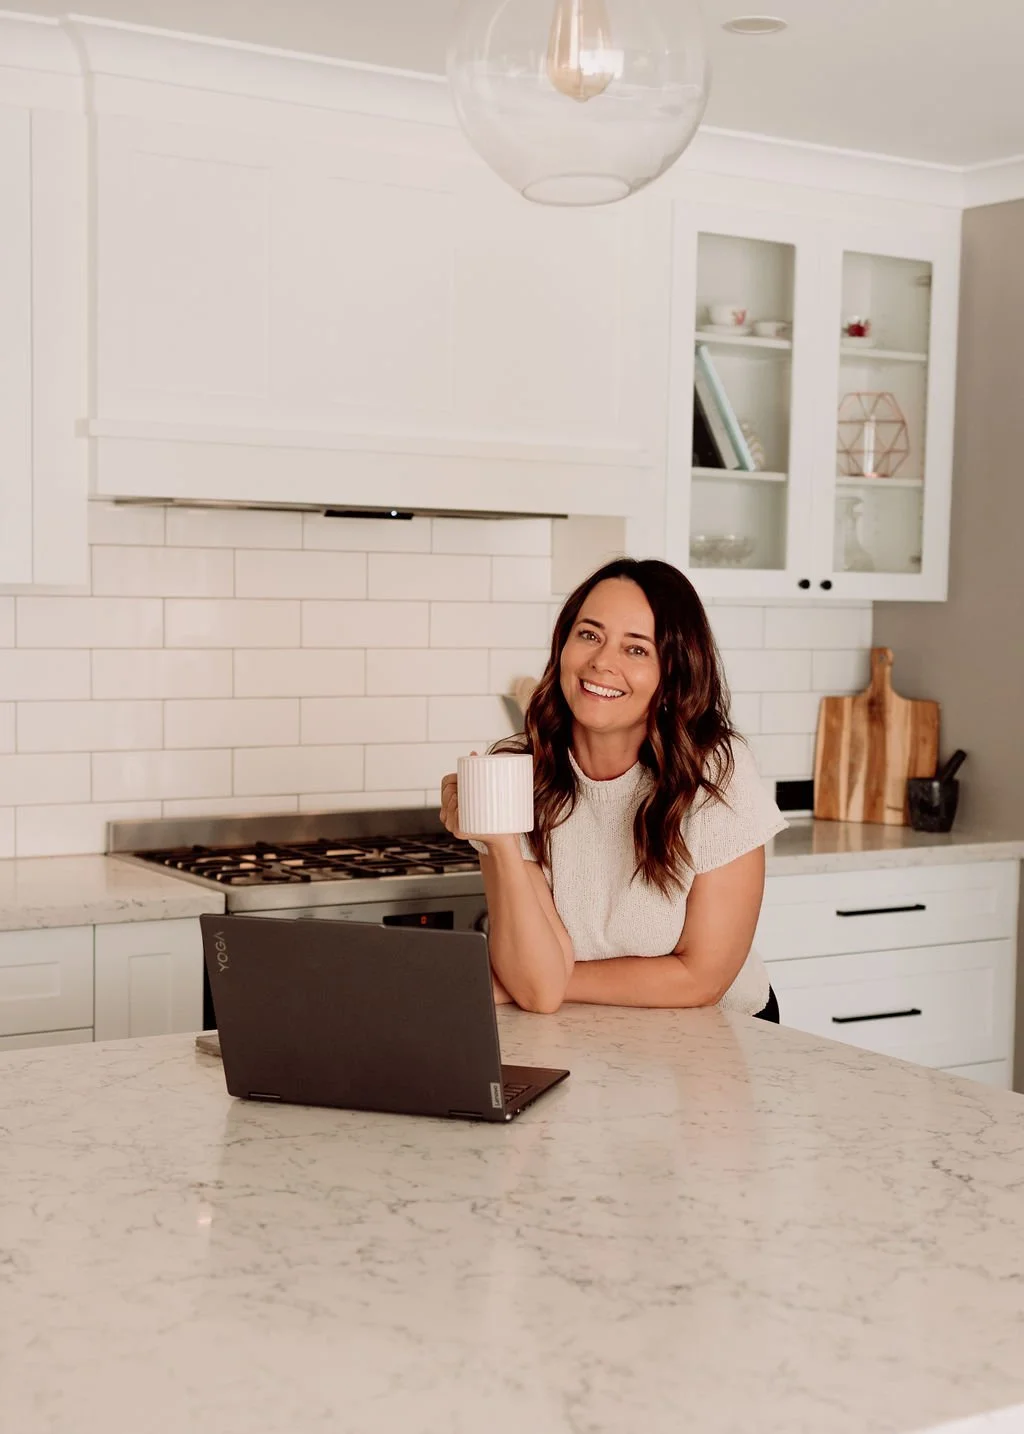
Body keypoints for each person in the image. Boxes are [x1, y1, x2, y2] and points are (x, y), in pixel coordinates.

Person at [439, 558, 788, 1020]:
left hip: (718, 1034)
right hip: (584, 1027)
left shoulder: (715, 774)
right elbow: (538, 994)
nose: (602, 662)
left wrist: (545, 980)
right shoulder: (514, 772)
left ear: (673, 672)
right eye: (589, 635)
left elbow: (702, 978)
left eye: (637, 650)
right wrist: (500, 841)